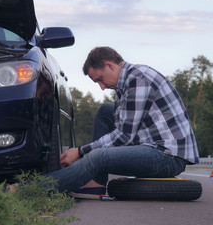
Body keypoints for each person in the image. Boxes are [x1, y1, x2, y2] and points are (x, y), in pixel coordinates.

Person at [45, 46, 199, 198]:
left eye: (100, 79)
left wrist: (80, 152)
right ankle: (97, 182)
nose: (102, 87)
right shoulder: (126, 83)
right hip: (152, 146)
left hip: (167, 157)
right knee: (105, 110)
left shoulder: (137, 80)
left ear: (109, 65)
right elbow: (122, 129)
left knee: (98, 157)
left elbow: (124, 136)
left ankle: (36, 187)